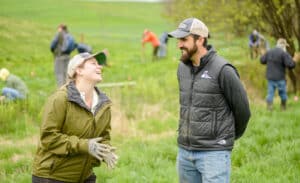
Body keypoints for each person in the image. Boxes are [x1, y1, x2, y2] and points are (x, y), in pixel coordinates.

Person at [168, 17, 251, 183]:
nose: (179, 45)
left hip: (214, 154)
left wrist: (224, 139)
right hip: (185, 151)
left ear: (200, 40)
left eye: (184, 40)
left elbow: (243, 111)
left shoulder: (223, 70)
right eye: (178, 40)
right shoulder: (182, 68)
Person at [32, 52, 118, 183]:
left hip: (85, 176)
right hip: (53, 176)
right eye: (93, 63)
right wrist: (85, 145)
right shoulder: (60, 99)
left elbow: (103, 135)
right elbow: (48, 137)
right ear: (78, 70)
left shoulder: (103, 104)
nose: (99, 67)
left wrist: (105, 150)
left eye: (99, 64)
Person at [260, 38, 296, 111]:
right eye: (285, 46)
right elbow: (291, 65)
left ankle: (269, 108)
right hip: (280, 78)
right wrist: (294, 60)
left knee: (270, 93)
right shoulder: (283, 53)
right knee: (283, 94)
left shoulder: (270, 51)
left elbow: (262, 60)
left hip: (270, 77)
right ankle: (283, 108)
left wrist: (264, 54)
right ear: (283, 45)